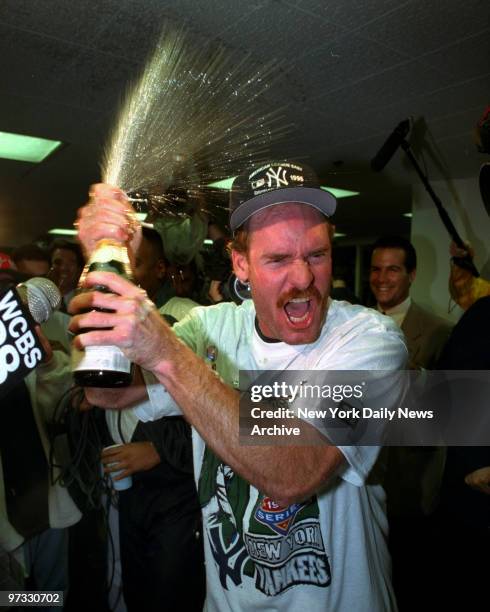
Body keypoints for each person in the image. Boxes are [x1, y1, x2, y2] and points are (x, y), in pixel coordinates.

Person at [70, 161, 407, 610]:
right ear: (241, 264)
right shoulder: (209, 329)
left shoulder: (371, 341)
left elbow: (296, 472)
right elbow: (106, 391)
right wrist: (110, 262)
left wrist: (166, 354)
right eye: (278, 259)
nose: (303, 278)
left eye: (316, 255)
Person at [369, 235, 451, 370]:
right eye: (376, 269)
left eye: (392, 270)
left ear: (411, 275)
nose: (381, 279)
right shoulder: (354, 323)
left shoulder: (439, 332)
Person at [48, 239, 85, 312]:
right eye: (57, 262)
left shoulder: (83, 303)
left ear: (79, 269)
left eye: (70, 263)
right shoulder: (38, 299)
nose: (63, 268)